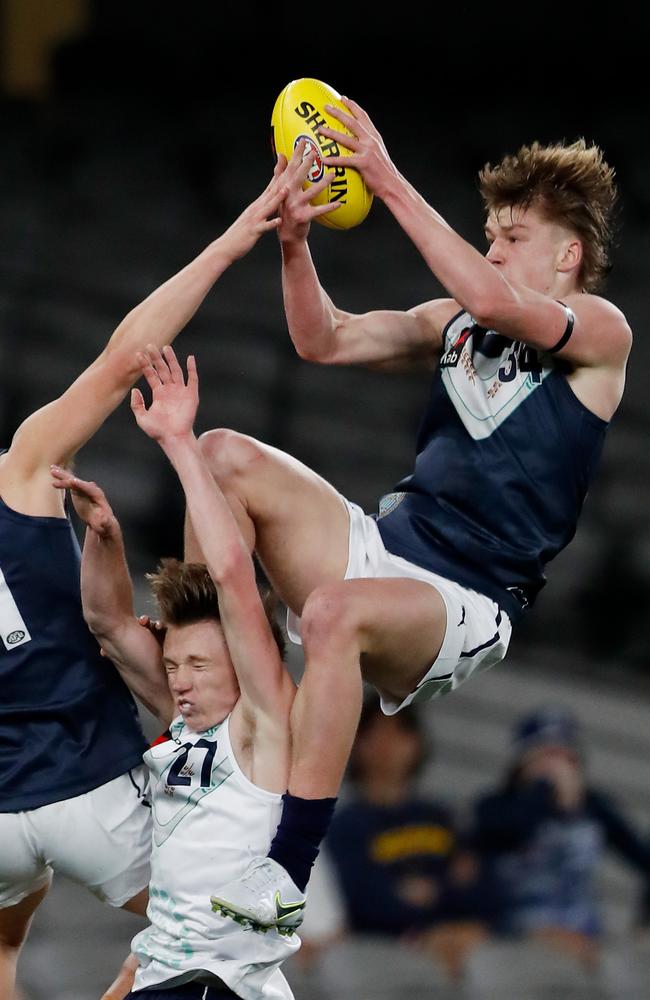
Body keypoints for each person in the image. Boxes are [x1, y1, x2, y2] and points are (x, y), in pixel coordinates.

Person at [199, 103, 632, 929]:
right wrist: (296, 243)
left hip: (467, 601)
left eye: (511, 238)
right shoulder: (454, 323)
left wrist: (387, 180)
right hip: (381, 546)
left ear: (567, 255)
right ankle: (217, 720)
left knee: (333, 613)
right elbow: (323, 341)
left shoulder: (603, 332)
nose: (493, 250)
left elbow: (501, 305)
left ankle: (287, 875)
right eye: (492, 235)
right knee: (221, 455)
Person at [0, 162, 291, 999]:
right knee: (227, 924)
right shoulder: (23, 468)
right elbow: (127, 356)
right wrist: (234, 240)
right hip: (94, 788)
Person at [52, 342, 299, 1000]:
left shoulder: (262, 724)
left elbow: (232, 579)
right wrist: (106, 539)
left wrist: (183, 445)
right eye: (174, 664)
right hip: (169, 966)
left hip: (223, 980)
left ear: (245, 663)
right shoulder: (187, 723)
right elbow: (107, 621)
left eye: (196, 663)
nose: (180, 679)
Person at [468, 705, 650, 967]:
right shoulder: (495, 806)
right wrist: (544, 794)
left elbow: (643, 857)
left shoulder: (594, 809)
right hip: (511, 934)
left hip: (583, 937)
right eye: (547, 756)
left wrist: (642, 926)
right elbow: (507, 829)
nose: (558, 767)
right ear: (521, 763)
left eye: (567, 758)